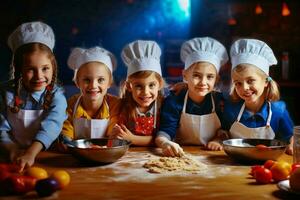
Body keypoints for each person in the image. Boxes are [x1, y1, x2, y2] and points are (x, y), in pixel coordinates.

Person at [0, 21, 67, 171]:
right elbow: (1, 129)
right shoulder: (4, 93)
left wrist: (31, 153)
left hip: (46, 156)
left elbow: (52, 125)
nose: (39, 76)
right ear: (18, 69)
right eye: (31, 69)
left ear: (53, 67)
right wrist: (12, 150)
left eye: (45, 69)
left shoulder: (57, 96)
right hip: (9, 154)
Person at [155, 37, 229, 157]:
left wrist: (218, 140)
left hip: (212, 156)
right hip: (181, 155)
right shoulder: (174, 101)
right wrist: (165, 143)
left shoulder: (220, 102)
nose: (203, 82)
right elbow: (165, 132)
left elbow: (226, 130)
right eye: (196, 75)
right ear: (185, 75)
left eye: (210, 77)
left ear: (216, 79)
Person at [223, 38, 294, 154]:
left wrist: (292, 143)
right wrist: (218, 138)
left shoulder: (278, 111)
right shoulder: (231, 108)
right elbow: (223, 132)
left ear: (266, 81)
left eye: (250, 81)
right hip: (235, 163)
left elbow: (291, 136)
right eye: (238, 83)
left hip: (266, 164)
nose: (244, 88)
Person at [107, 40, 164, 146]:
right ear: (129, 86)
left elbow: (166, 138)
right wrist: (115, 135)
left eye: (151, 85)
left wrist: (132, 138)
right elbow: (120, 137)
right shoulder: (124, 107)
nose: (145, 92)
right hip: (130, 157)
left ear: (160, 84)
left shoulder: (165, 106)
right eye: (138, 86)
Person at [61, 46, 118, 143]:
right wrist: (66, 140)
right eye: (87, 80)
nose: (93, 85)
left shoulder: (114, 104)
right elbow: (66, 128)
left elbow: (115, 131)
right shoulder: (71, 104)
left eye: (100, 80)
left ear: (109, 83)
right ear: (77, 82)